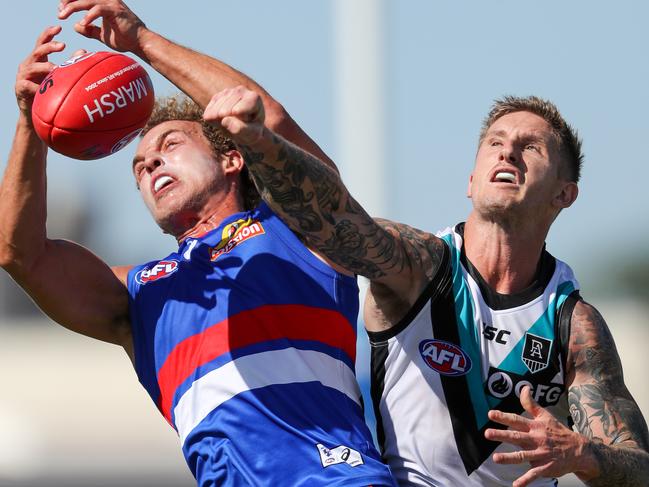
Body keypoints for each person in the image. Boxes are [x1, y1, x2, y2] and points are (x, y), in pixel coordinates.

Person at [0, 1, 397, 486]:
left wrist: (141, 42)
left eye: (170, 146)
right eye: (140, 167)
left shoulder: (298, 227)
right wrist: (31, 121)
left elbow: (265, 118)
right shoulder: (139, 293)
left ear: (233, 159)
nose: (151, 167)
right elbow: (20, 253)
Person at [206, 84, 649, 487]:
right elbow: (332, 218)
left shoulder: (573, 323)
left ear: (564, 194)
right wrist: (257, 141)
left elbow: (638, 465)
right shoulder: (421, 264)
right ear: (471, 181)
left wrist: (580, 453)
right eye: (495, 143)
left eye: (530, 147)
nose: (507, 152)